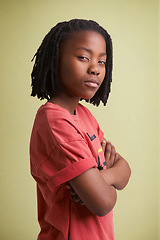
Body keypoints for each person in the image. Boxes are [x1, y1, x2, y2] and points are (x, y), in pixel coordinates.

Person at [30, 19, 131, 240]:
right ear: (55, 60)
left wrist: (101, 178)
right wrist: (105, 179)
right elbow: (103, 202)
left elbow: (125, 172)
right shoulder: (55, 121)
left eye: (102, 62)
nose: (95, 68)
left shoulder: (84, 115)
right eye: (83, 57)